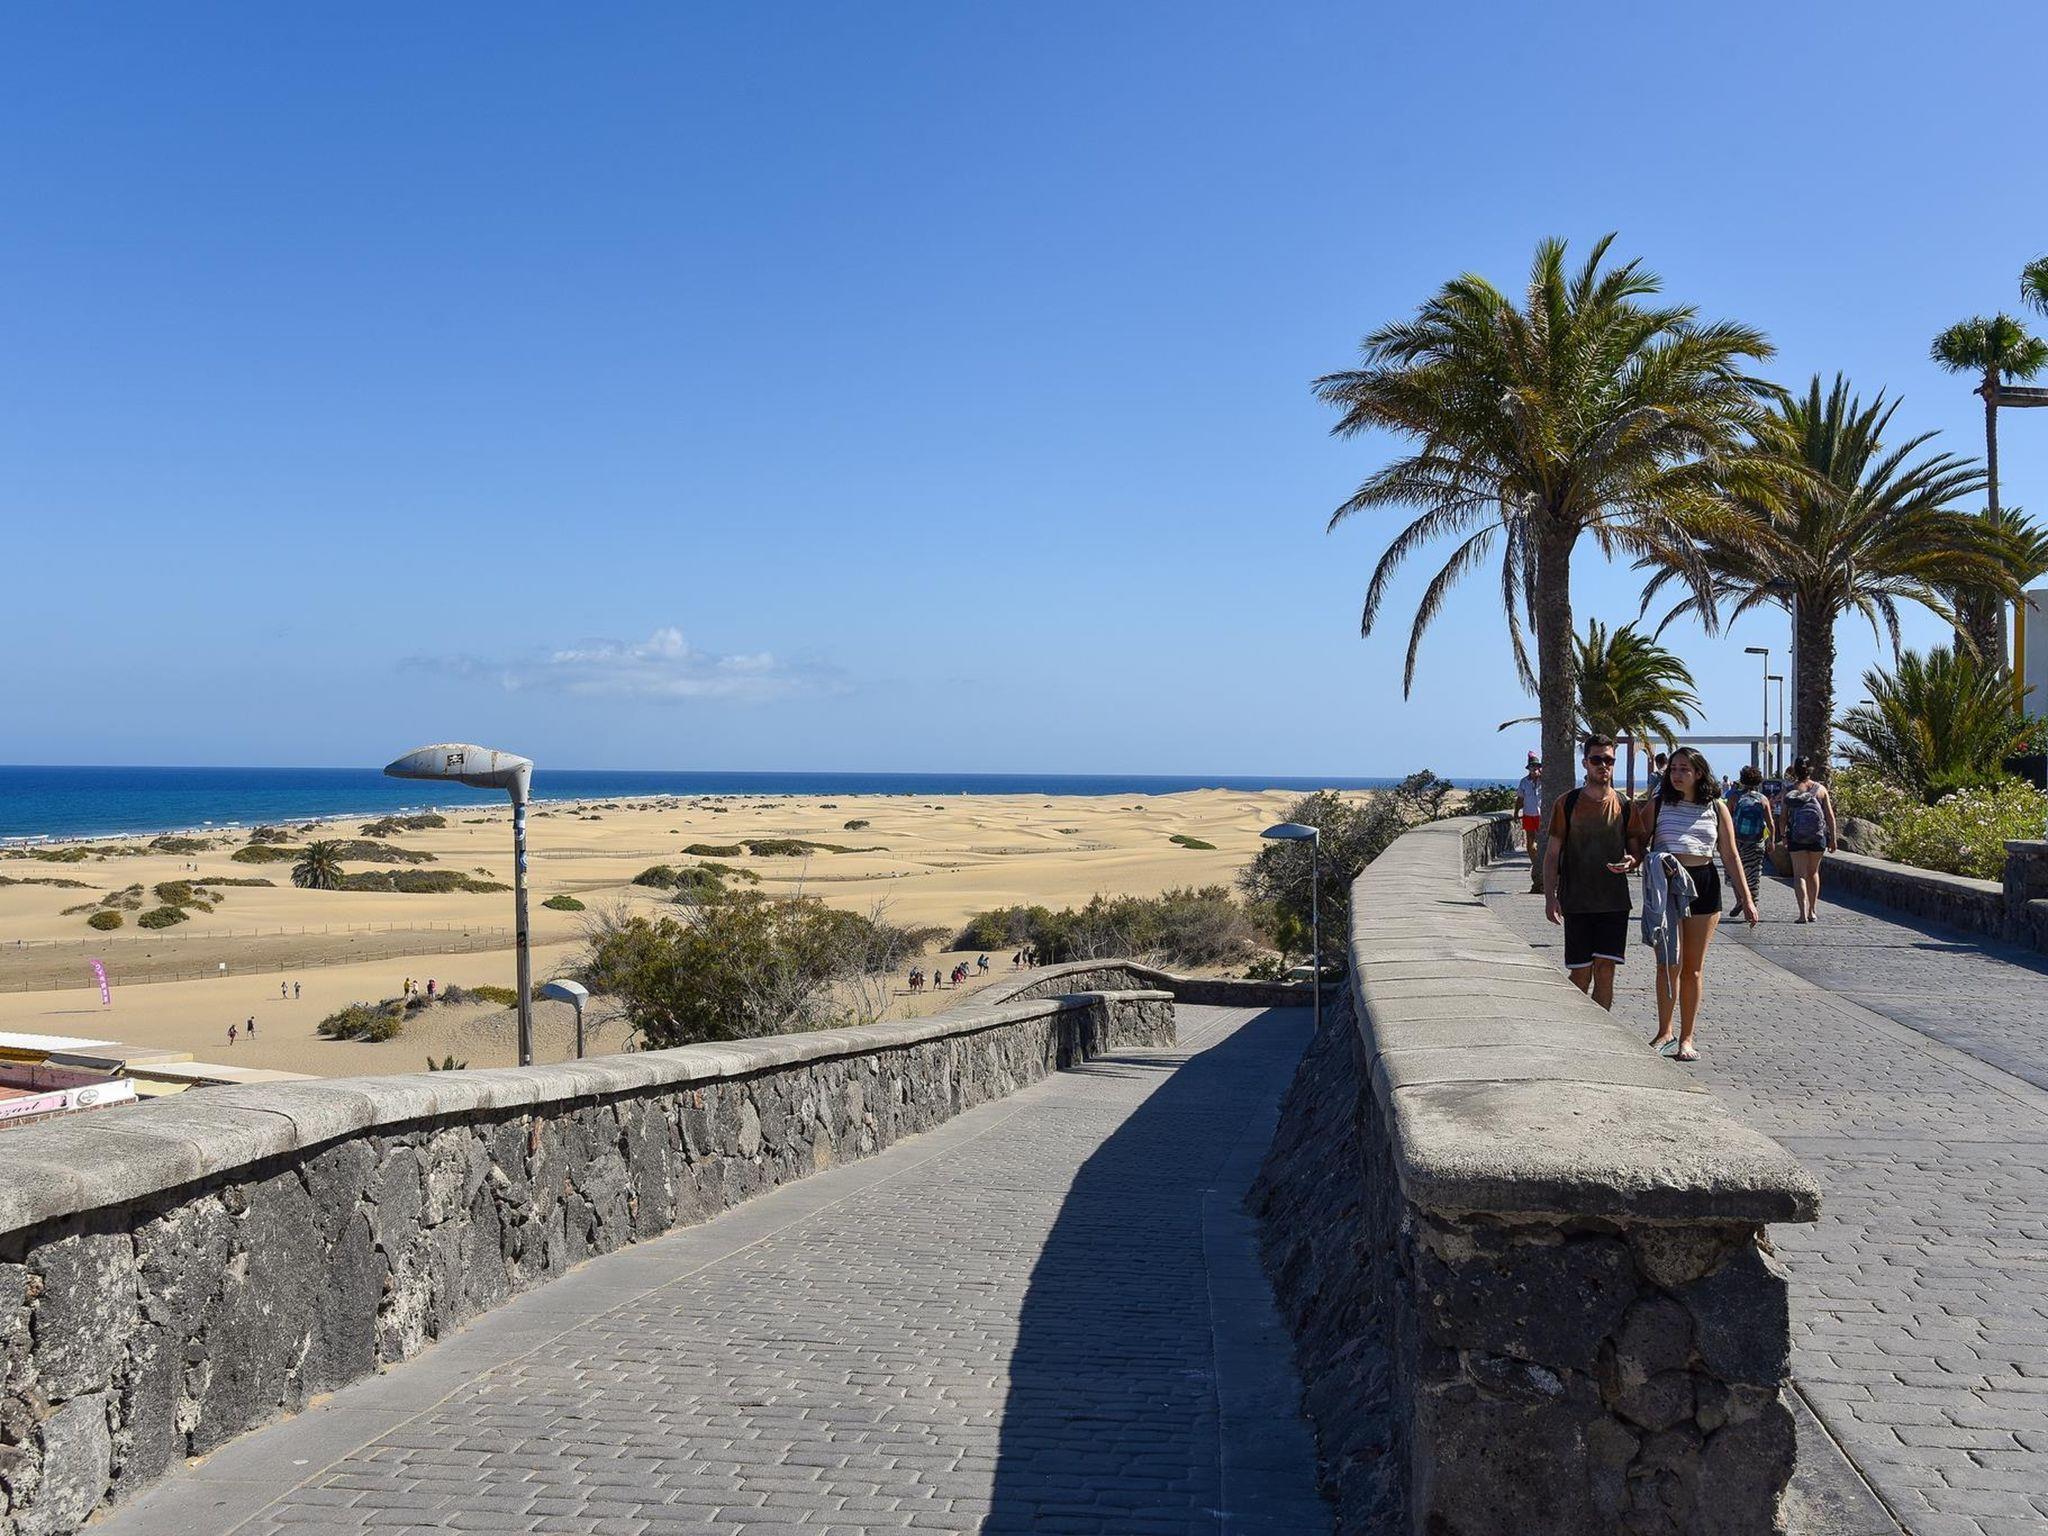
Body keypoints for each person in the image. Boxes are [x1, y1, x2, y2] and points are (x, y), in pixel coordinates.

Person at [1615, 747, 1758, 1062]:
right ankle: (1664, 1032)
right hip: (1666, 887)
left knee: (1692, 968)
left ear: (1699, 773)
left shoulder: (1717, 807)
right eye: (1673, 769)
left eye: (1684, 769)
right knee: (1668, 963)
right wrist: (1632, 859)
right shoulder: (1659, 804)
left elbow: (1730, 854)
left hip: (1703, 885)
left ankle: (1687, 1038)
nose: (1677, 775)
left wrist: (1746, 898)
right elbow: (1638, 841)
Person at [1542, 734, 1632, 1011]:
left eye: (1609, 760)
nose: (1603, 765)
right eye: (1596, 759)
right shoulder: (1567, 803)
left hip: (1614, 903)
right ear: (1585, 763)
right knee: (1580, 974)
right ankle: (1573, 1024)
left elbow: (1637, 849)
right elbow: (1552, 853)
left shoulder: (1625, 805)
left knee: (1605, 970)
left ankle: (1601, 1033)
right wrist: (1550, 897)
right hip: (1577, 901)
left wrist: (1632, 860)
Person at [1776, 759, 1839, 923]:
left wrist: (1783, 836)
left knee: (1799, 875)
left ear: (1795, 771)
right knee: (1813, 873)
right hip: (1817, 837)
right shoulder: (1821, 789)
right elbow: (1829, 816)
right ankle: (1812, 911)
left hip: (1796, 837)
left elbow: (1783, 817)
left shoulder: (1789, 791)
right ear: (1810, 770)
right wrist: (1833, 838)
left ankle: (1802, 914)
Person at [1727, 766, 1775, 918]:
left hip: (1737, 841)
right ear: (1758, 781)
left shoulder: (1735, 797)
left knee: (1735, 872)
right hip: (1756, 842)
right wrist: (1771, 841)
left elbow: (1726, 819)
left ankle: (1739, 900)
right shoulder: (1763, 799)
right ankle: (1752, 906)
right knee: (1754, 875)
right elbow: (1770, 823)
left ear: (1742, 780)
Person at [1515, 752, 1546, 893]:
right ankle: (1536, 864)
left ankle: (1541, 864)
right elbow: (1520, 799)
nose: (1535, 769)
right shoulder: (1524, 782)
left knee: (1542, 841)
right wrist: (1516, 812)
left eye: (1537, 767)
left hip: (1541, 815)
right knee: (1530, 843)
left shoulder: (1543, 781)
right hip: (1528, 814)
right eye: (1532, 767)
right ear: (1529, 769)